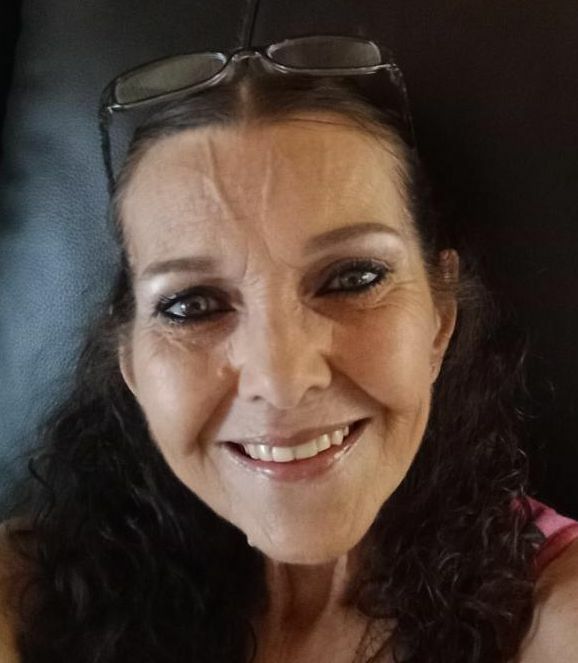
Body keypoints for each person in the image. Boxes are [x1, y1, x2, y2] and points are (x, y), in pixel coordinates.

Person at [1, 39, 578, 663]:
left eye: (353, 279)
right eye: (192, 305)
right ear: (133, 365)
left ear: (439, 321)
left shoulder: (552, 605)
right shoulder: (28, 589)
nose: (281, 380)